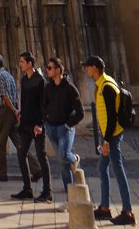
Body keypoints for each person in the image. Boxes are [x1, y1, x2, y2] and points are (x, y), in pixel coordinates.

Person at [83, 54, 135, 225]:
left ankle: (127, 211)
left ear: (95, 68)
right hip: (109, 134)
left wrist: (106, 141)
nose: (86, 69)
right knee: (102, 167)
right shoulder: (102, 84)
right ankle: (105, 208)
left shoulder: (106, 86)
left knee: (118, 170)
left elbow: (112, 117)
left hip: (112, 135)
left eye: (88, 66)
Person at [11, 51, 51, 203]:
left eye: (22, 62)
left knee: (42, 156)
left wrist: (40, 123)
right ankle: (27, 188)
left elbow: (43, 104)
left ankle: (47, 191)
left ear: (29, 64)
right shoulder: (24, 80)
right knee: (21, 154)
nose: (20, 64)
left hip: (37, 124)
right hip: (26, 123)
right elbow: (24, 99)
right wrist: (21, 112)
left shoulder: (40, 80)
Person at [42, 56, 84, 194]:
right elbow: (44, 106)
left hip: (65, 128)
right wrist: (45, 121)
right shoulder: (48, 87)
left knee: (63, 155)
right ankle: (68, 190)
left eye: (49, 68)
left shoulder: (70, 88)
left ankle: (75, 158)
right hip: (51, 127)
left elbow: (80, 112)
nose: (47, 70)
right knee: (61, 161)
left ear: (58, 70)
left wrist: (68, 125)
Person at [0, 53, 21, 181]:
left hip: (5, 111)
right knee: (19, 141)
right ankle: (36, 169)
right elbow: (15, 94)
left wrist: (12, 110)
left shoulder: (0, 76)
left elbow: (4, 96)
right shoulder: (8, 75)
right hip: (12, 111)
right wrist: (16, 110)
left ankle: (1, 173)